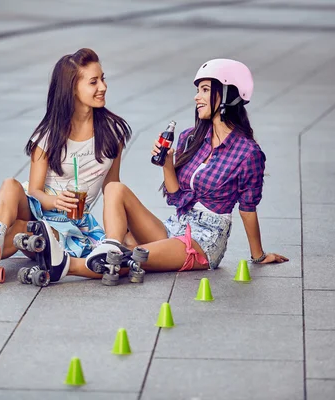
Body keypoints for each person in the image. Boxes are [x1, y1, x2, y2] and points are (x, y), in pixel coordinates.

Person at [85, 58, 289, 274]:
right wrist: (167, 165)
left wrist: (258, 255)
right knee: (114, 189)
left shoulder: (248, 153)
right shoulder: (190, 138)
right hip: (175, 226)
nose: (196, 97)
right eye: (198, 90)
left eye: (205, 90)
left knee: (134, 256)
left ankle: (68, 266)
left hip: (204, 240)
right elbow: (177, 198)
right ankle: (112, 245)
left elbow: (248, 209)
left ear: (228, 94)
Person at [0, 47, 133, 283]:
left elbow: (112, 186)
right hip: (36, 204)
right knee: (11, 185)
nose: (103, 87)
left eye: (102, 79)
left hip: (66, 225)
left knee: (25, 230)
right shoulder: (48, 136)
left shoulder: (113, 133)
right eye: (93, 82)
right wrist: (55, 200)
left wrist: (123, 232)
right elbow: (33, 191)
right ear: (72, 88)